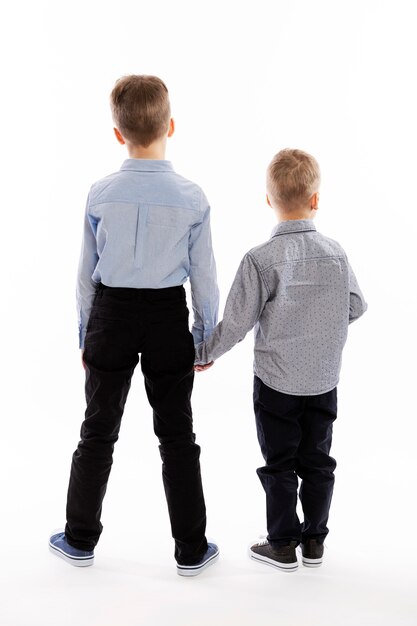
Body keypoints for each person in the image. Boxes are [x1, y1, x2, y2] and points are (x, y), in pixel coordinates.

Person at [49, 75, 220, 577]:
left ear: (118, 133)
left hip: (111, 315)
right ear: (170, 125)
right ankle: (191, 547)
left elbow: (86, 274)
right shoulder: (192, 196)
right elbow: (205, 278)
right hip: (168, 317)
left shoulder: (101, 193)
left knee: (98, 428)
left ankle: (79, 538)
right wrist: (205, 337)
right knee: (178, 434)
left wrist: (86, 332)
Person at [195, 148, 367, 571]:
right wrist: (324, 325)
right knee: (319, 460)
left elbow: (236, 323)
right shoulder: (336, 253)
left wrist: (202, 354)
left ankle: (282, 544)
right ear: (316, 199)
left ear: (269, 201)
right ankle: (314, 543)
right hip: (324, 380)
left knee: (280, 463)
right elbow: (357, 305)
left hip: (275, 383)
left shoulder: (260, 259)